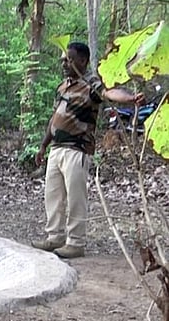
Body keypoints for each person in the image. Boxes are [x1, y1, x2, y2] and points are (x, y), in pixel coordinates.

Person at [32, 42, 144, 259]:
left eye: (70, 59)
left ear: (83, 61)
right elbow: (55, 117)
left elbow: (110, 93)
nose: (65, 63)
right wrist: (43, 145)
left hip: (78, 149)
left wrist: (130, 99)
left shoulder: (91, 83)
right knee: (53, 196)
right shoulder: (63, 87)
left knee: (76, 197)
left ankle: (76, 243)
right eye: (64, 59)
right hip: (56, 149)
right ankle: (54, 236)